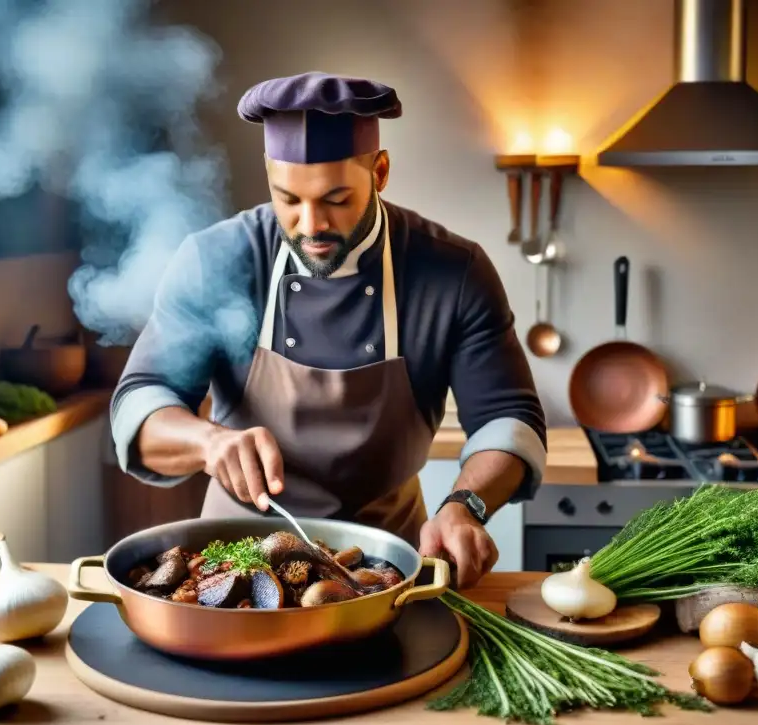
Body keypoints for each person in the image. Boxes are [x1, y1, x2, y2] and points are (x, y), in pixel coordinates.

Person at [110, 72, 547, 588]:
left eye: (336, 200)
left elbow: (507, 420)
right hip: (235, 567)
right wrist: (208, 442)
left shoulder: (454, 272)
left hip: (388, 566)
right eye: (288, 200)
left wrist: (466, 505)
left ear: (379, 172)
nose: (311, 225)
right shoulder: (218, 259)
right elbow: (139, 405)